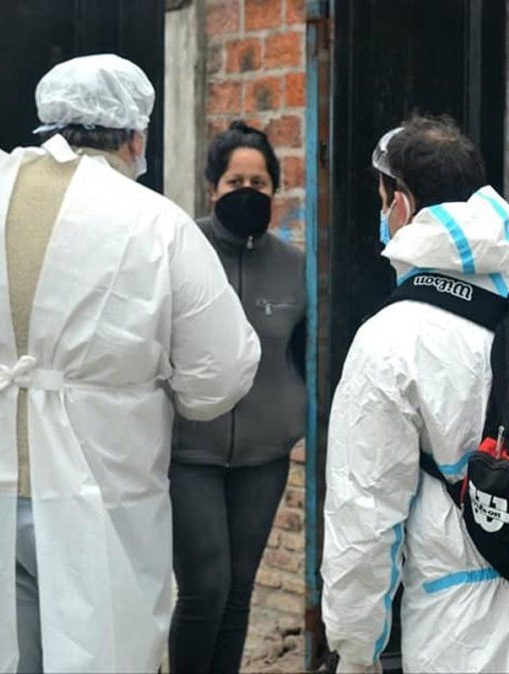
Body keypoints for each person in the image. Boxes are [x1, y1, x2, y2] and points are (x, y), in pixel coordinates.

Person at [0, 54, 261, 673]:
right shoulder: (154, 223)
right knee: (98, 652)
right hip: (99, 493)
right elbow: (220, 374)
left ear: (47, 125)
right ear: (136, 137)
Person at [321, 115, 509, 673]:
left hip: (468, 623)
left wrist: (356, 648)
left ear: (403, 205)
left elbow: (363, 512)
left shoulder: (393, 334)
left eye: (383, 199)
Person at [170, 121, 306, 673]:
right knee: (205, 587)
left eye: (259, 181)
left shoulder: (296, 268)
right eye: (234, 181)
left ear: (275, 191)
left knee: (238, 591)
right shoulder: (181, 249)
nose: (247, 191)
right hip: (190, 454)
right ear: (213, 188)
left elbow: (304, 355)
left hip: (263, 458)